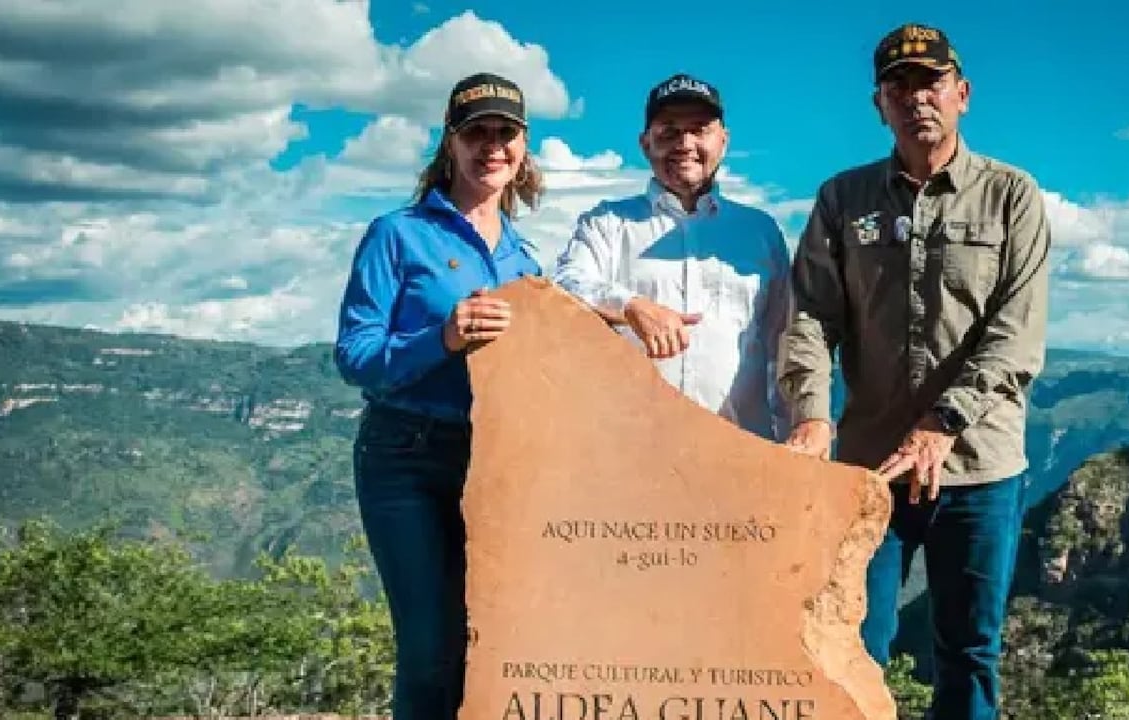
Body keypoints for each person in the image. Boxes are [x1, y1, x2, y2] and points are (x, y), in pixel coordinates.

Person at [777, 23, 1050, 720]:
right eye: (897, 85)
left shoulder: (1011, 197)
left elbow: (1015, 337)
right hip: (872, 468)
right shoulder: (843, 200)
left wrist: (943, 423)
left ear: (961, 93)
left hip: (981, 469)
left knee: (969, 653)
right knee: (850, 642)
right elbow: (811, 315)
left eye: (929, 82)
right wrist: (809, 412)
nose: (915, 98)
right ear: (879, 105)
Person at [332, 72, 544, 719]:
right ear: (449, 144)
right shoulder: (396, 234)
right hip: (407, 457)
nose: (491, 146)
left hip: (492, 466)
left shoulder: (524, 261)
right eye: (475, 132)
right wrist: (443, 337)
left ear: (523, 147)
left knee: (487, 645)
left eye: (504, 133)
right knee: (429, 649)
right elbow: (355, 357)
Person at [553, 73, 791, 441]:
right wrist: (630, 305)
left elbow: (783, 346)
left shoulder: (761, 232)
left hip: (743, 452)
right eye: (669, 131)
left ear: (723, 141)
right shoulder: (605, 223)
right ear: (645, 144)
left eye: (699, 129)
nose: (685, 143)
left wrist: (791, 441)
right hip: (633, 453)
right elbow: (565, 285)